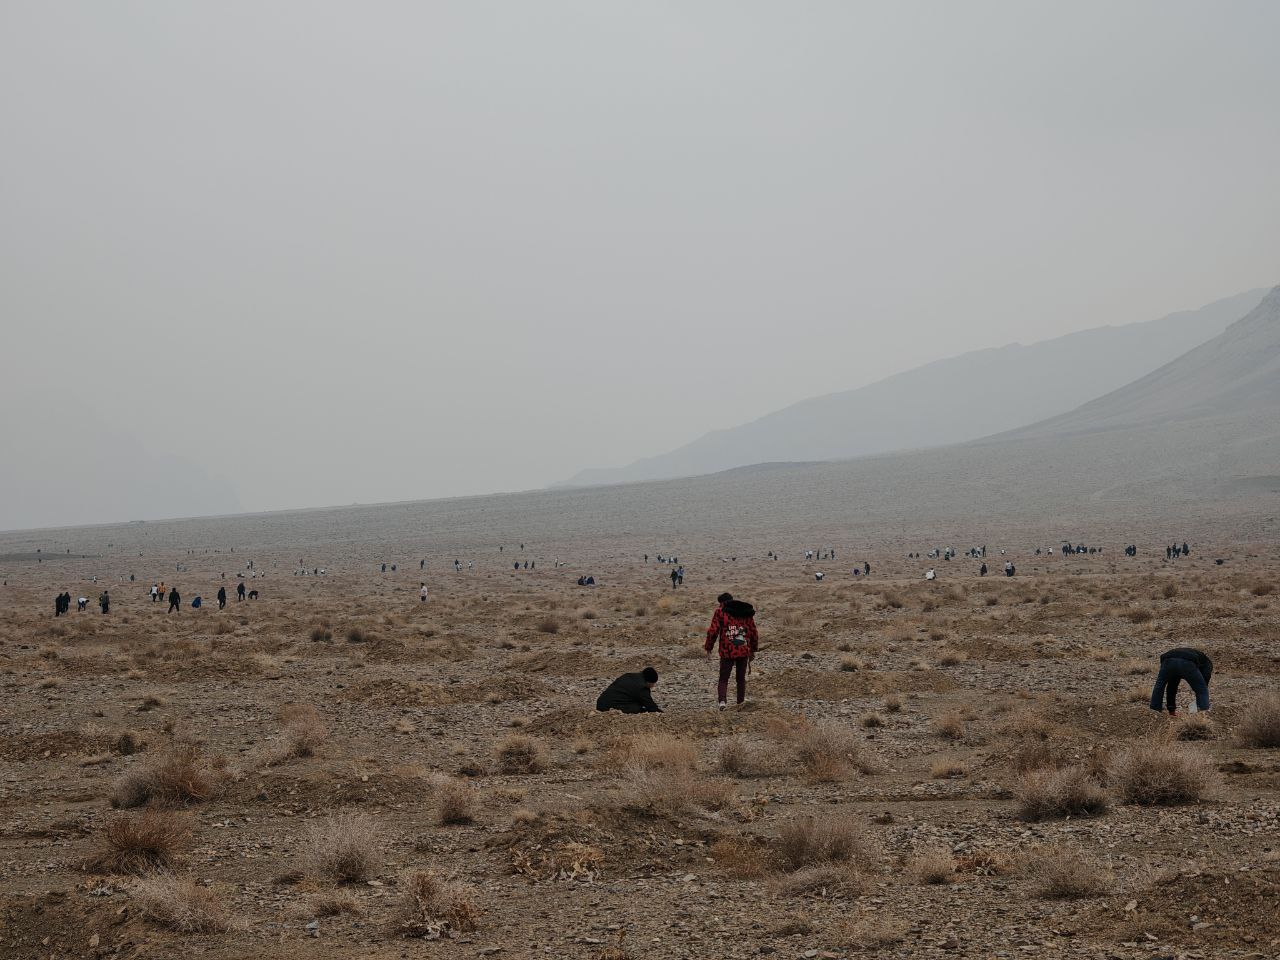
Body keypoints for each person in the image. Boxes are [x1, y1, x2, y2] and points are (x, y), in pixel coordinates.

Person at [705, 593, 758, 710]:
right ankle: (740, 703)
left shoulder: (720, 612)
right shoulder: (745, 612)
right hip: (743, 649)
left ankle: (722, 702)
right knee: (740, 679)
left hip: (727, 650)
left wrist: (709, 647)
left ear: (721, 603)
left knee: (723, 678)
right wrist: (753, 650)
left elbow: (713, 631)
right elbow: (753, 632)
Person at [1150, 647, 1212, 716]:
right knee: (1202, 690)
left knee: (1160, 686)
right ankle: (1203, 714)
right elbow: (1205, 680)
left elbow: (1171, 688)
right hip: (1187, 662)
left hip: (1168, 661)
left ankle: (1154, 712)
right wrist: (1201, 692)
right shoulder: (1207, 663)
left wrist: (1171, 709)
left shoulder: (1197, 656)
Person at [595, 667, 663, 713]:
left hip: (600, 703)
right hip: (608, 708)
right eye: (653, 684)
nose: (653, 686)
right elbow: (651, 706)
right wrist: (661, 713)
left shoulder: (628, 675)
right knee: (638, 707)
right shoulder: (642, 687)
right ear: (649, 682)